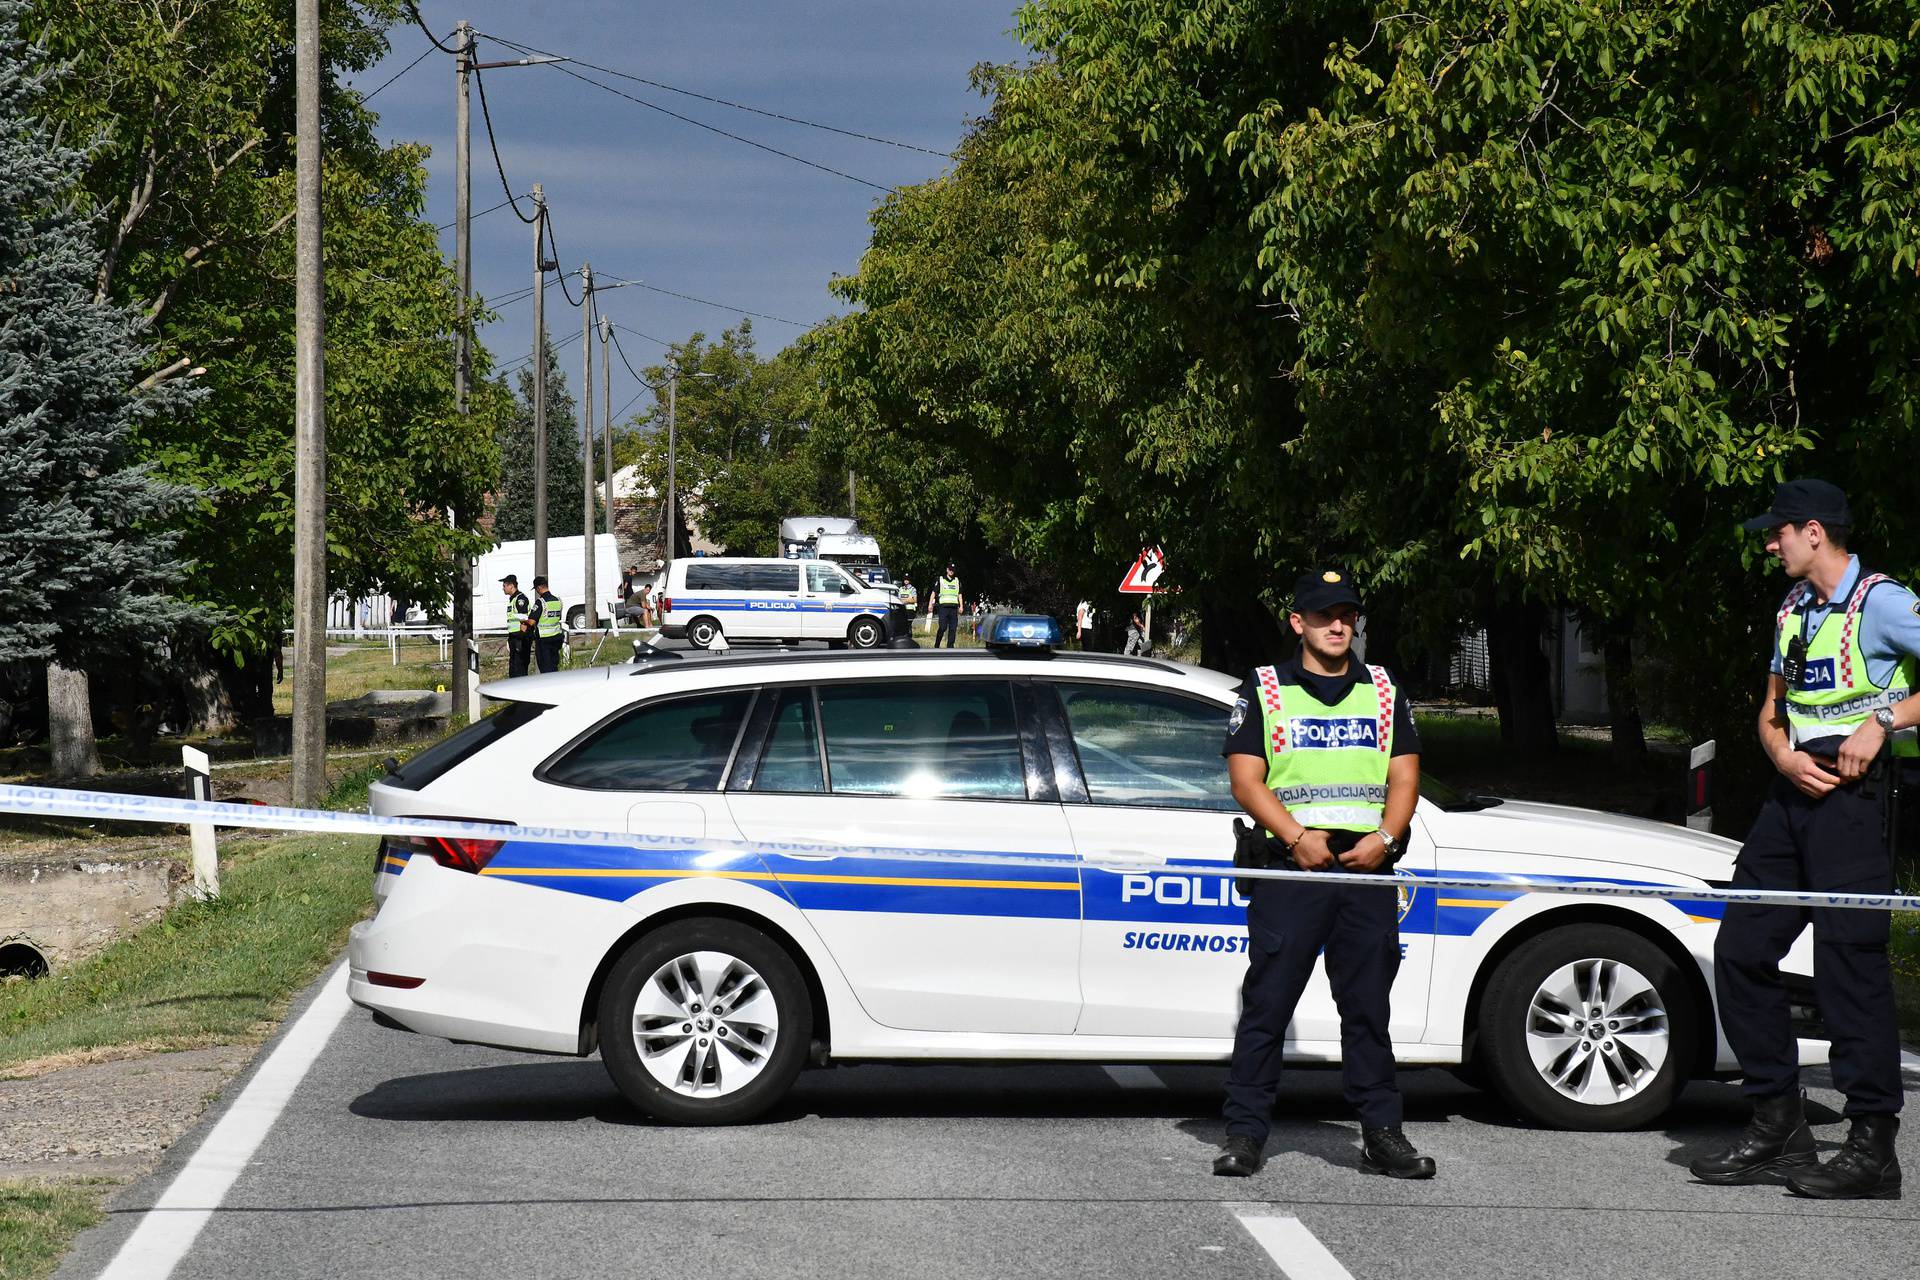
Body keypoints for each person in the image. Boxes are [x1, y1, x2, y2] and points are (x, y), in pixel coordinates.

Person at [1691, 480, 1918, 1200]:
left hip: (1857, 804)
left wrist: (1883, 723)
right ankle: (1776, 1125)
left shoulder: (1883, 601)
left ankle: (1873, 1145)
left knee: (1851, 967)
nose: (1770, 543)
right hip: (1791, 796)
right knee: (1742, 948)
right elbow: (1770, 711)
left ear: (1814, 531)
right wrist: (1781, 753)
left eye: (1778, 531)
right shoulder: (1792, 607)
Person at [1213, 568, 1434, 1180]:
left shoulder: (1385, 690)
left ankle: (1382, 1135)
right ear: (1298, 623)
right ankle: (1246, 1133)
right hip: (1292, 870)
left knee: (1367, 1010)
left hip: (1365, 871)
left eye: (1347, 615)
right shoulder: (1263, 689)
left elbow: (1405, 777)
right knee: (1268, 1007)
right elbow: (1245, 779)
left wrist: (1386, 840)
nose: (1338, 625)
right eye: (1323, 615)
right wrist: (1296, 837)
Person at [501, 574, 534, 678]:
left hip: (520, 638)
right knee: (514, 668)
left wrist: (520, 639)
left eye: (504, 585)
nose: (503, 588)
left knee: (519, 668)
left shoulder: (520, 599)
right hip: (514, 637)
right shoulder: (512, 599)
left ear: (511, 586)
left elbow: (524, 620)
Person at [532, 575, 565, 674]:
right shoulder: (558, 600)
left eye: (536, 590)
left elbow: (532, 621)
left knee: (545, 669)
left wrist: (523, 620)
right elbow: (558, 618)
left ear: (538, 588)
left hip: (543, 640)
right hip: (556, 638)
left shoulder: (540, 602)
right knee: (554, 666)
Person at [933, 564, 963, 649]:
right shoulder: (941, 580)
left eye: (953, 569)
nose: (951, 571)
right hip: (943, 607)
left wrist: (961, 606)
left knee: (953, 628)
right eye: (950, 569)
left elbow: (959, 594)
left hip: (954, 608)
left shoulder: (957, 581)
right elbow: (934, 592)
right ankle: (937, 644)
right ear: (947, 570)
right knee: (942, 627)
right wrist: (930, 604)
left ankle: (950, 647)